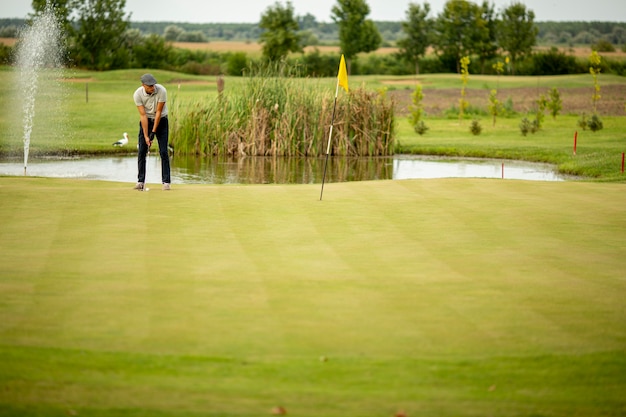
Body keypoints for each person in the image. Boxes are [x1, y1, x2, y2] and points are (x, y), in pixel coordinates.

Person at [133, 73, 171, 190]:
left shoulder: (162, 91)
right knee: (142, 151)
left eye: (153, 85)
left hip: (161, 121)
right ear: (143, 85)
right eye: (149, 86)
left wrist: (153, 132)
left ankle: (166, 182)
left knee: (164, 151)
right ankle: (140, 181)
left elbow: (158, 112)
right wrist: (146, 136)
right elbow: (143, 115)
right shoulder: (138, 94)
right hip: (146, 121)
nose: (152, 87)